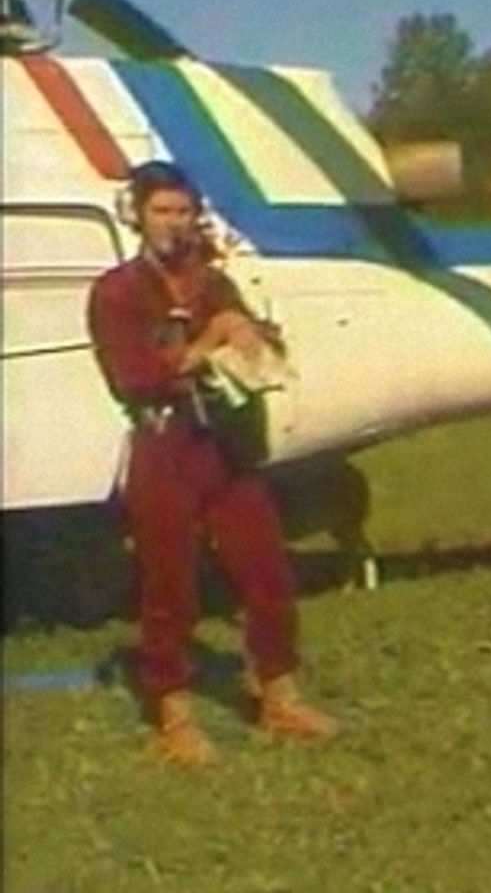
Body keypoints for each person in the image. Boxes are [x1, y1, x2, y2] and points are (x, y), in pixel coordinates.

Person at [88, 160, 336, 766]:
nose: (176, 224)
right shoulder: (117, 292)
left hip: (226, 441)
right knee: (169, 581)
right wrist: (207, 344)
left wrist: (253, 336)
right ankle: (172, 711)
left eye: (183, 212)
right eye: (162, 212)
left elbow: (251, 337)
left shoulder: (214, 283)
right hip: (166, 444)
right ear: (138, 217)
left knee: (267, 572)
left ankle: (278, 693)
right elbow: (136, 377)